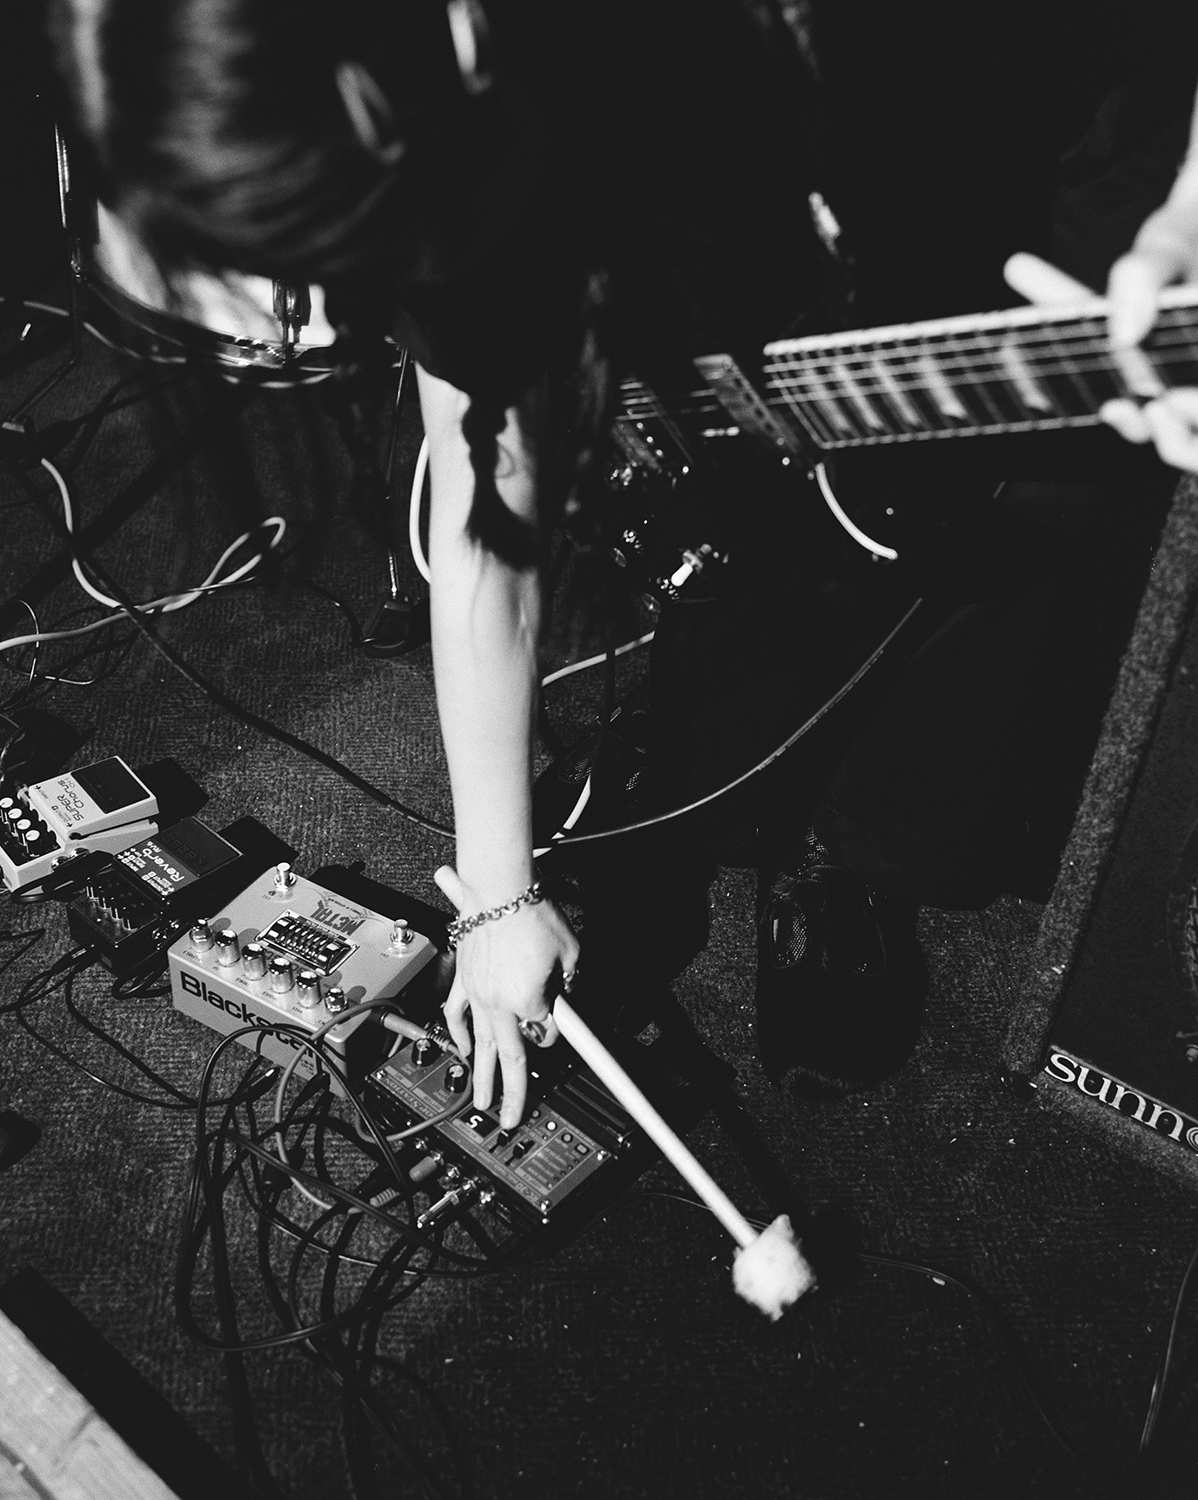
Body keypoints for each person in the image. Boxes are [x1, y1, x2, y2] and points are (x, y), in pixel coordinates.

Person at [47, 0, 1198, 1119]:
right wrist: (496, 897)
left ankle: (866, 855)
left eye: (301, 268)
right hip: (767, 259)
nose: (302, 331)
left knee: (1036, 541)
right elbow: (485, 516)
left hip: (1041, 120)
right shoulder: (438, 196)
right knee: (778, 571)